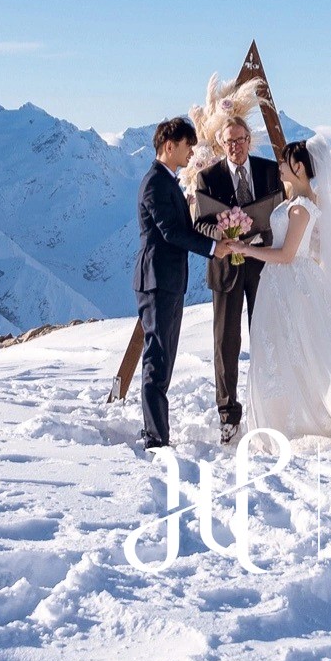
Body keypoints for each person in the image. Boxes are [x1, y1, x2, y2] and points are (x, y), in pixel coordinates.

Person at [217, 136, 331, 449]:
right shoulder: (298, 203)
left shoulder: (301, 208)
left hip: (289, 284)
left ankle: (301, 419)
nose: (281, 166)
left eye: (286, 161)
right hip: (284, 283)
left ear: (299, 166)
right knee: (291, 350)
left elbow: (289, 255)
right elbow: (302, 248)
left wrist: (247, 250)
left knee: (301, 351)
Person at [192, 103, 281, 446]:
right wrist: (225, 235)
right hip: (226, 269)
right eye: (229, 142)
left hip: (262, 266)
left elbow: (281, 211)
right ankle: (228, 416)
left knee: (267, 338)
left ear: (249, 140)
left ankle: (270, 406)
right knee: (226, 344)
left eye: (240, 140)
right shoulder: (208, 177)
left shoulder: (269, 171)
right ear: (221, 143)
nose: (235, 147)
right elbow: (200, 221)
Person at [132, 116, 213, 450]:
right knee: (158, 356)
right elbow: (171, 232)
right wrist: (212, 247)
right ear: (169, 146)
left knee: (164, 355)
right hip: (157, 281)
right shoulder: (155, 184)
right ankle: (154, 435)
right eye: (186, 146)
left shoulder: (167, 182)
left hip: (168, 281)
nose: (191, 152)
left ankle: (157, 431)